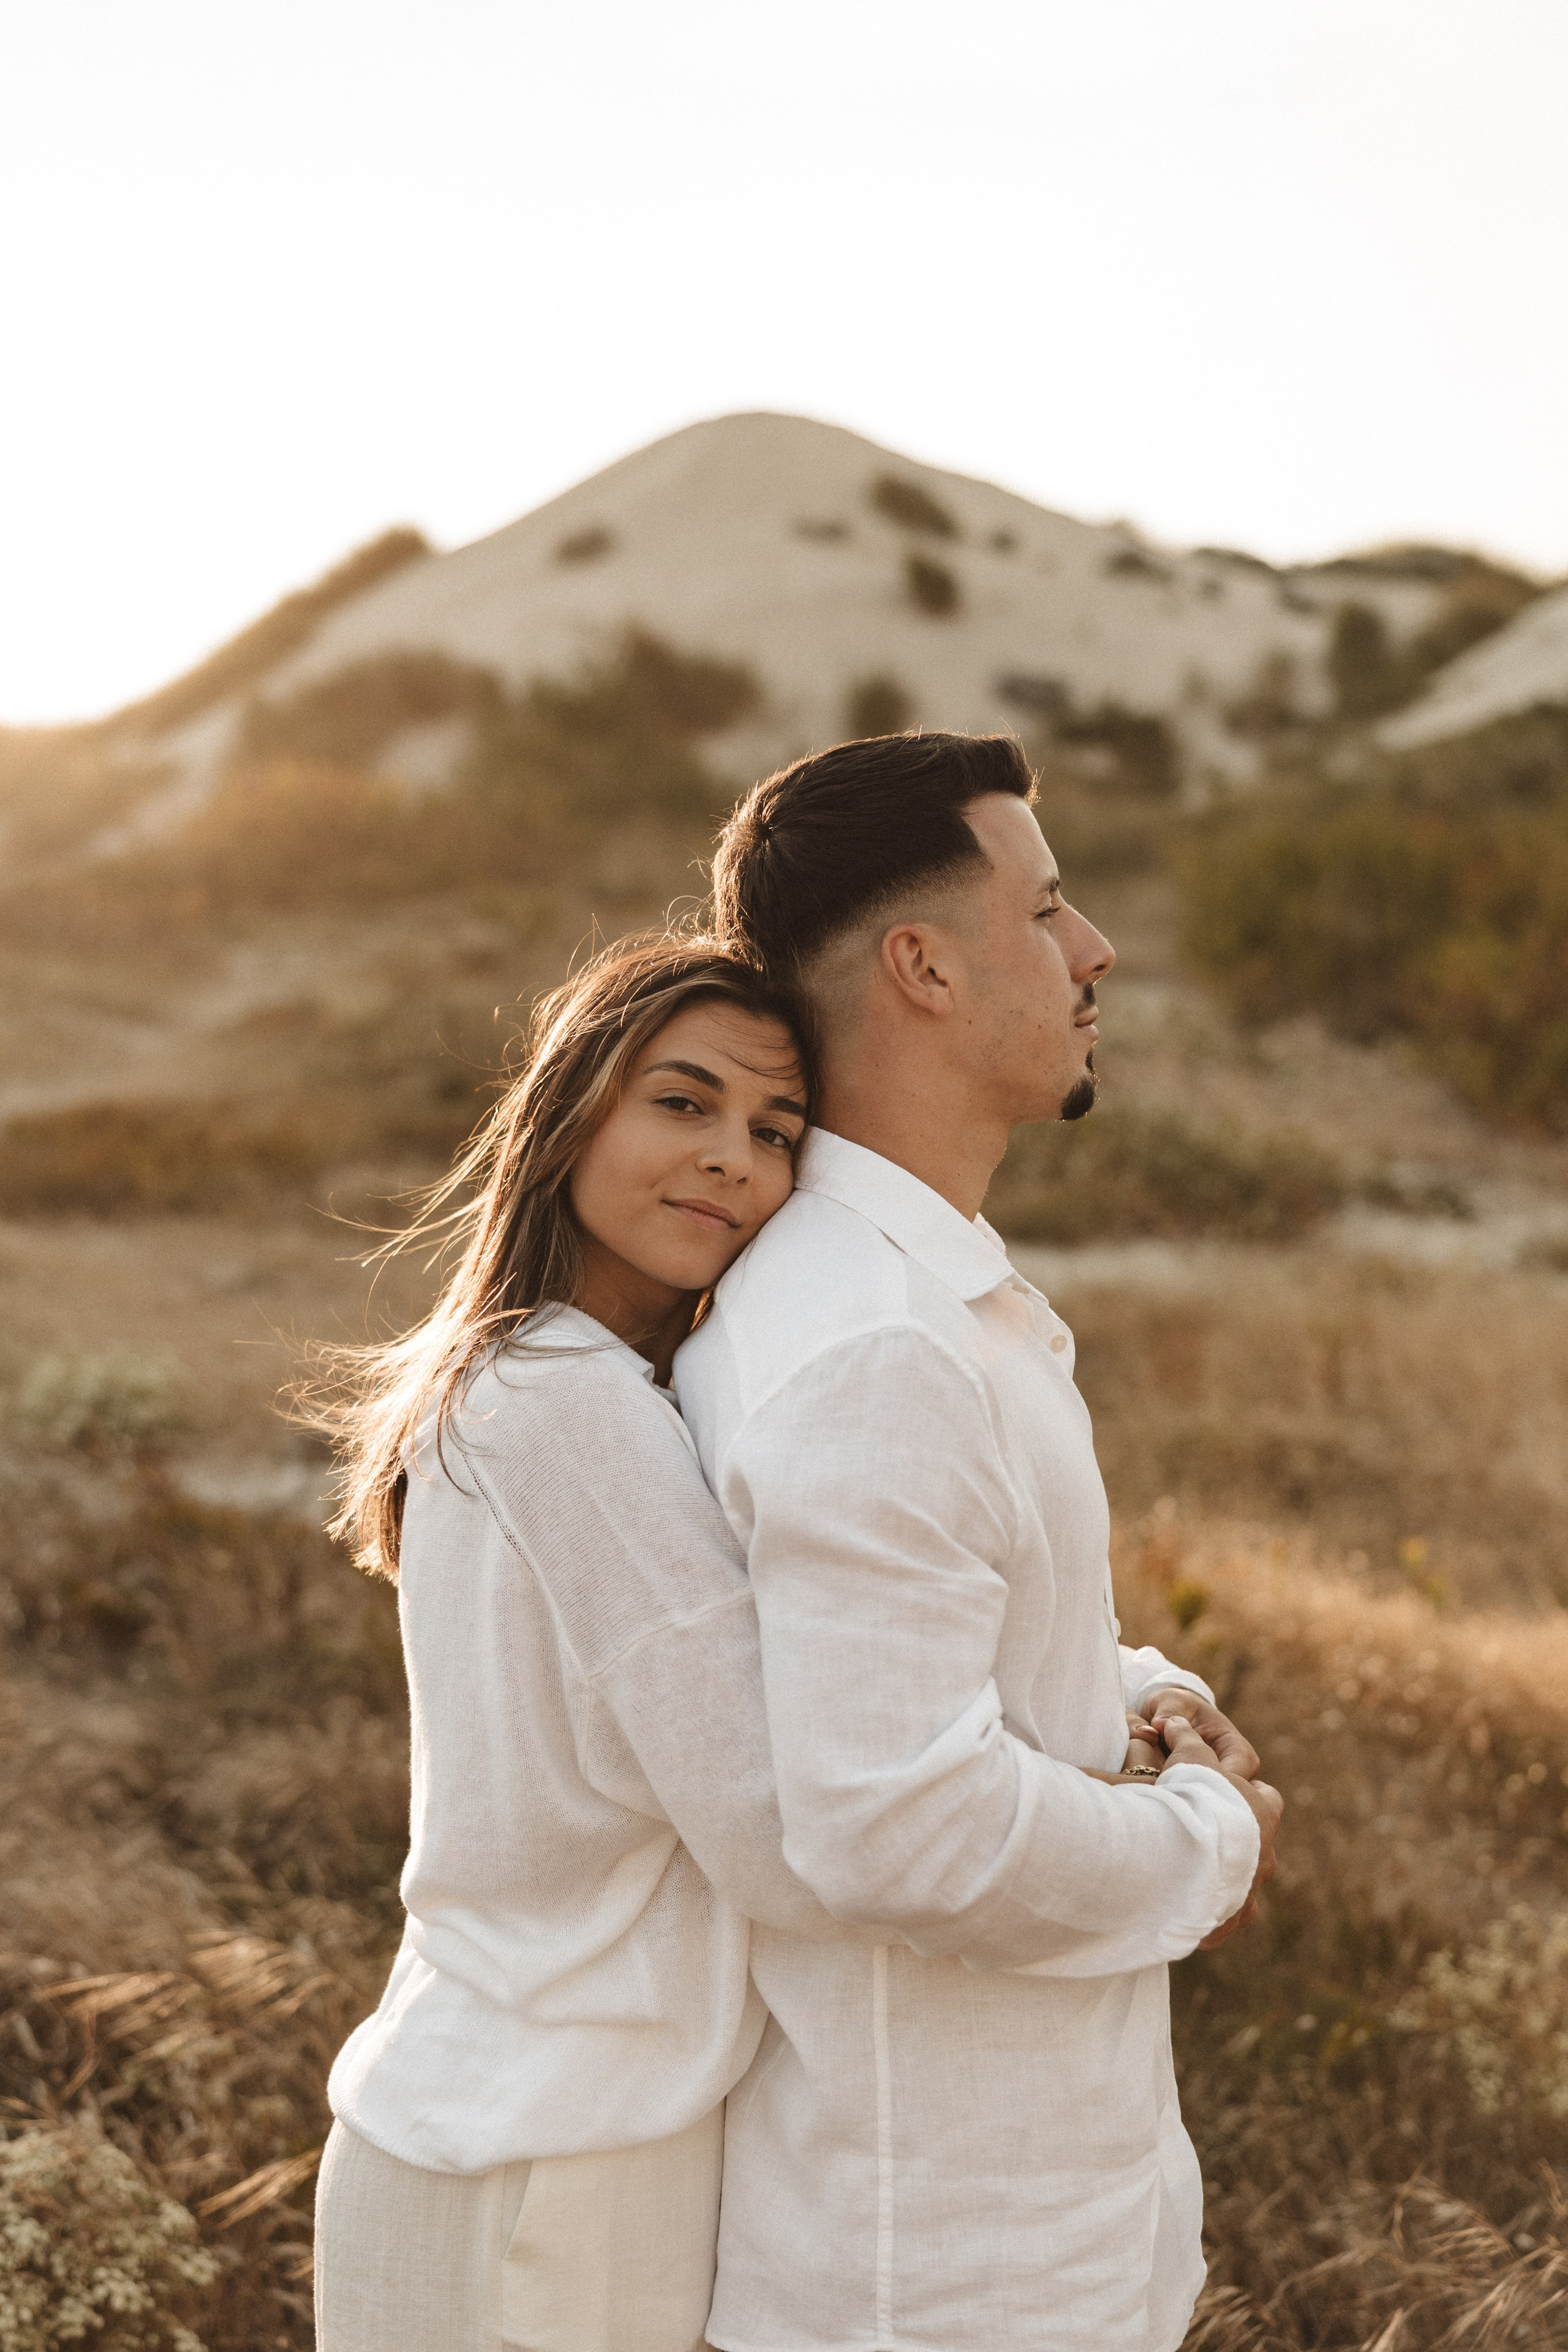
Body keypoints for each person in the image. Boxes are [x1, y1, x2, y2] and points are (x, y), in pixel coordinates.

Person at [676, 729, 1283, 2352]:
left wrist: (1134, 1688)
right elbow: (903, 1827)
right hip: (942, 2285)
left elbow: (909, 1651)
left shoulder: (928, 1298)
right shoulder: (875, 1340)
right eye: (1049, 908)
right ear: (924, 967)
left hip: (1014, 2238)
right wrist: (1215, 1841)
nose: (1095, 951)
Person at [307, 934, 853, 2352]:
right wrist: (1135, 1812)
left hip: (486, 2126)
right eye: (682, 1102)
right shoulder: (571, 1406)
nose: (732, 1157)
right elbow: (777, 1824)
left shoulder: (512, 1376)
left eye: (775, 1130)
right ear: (568, 1117)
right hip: (548, 2167)